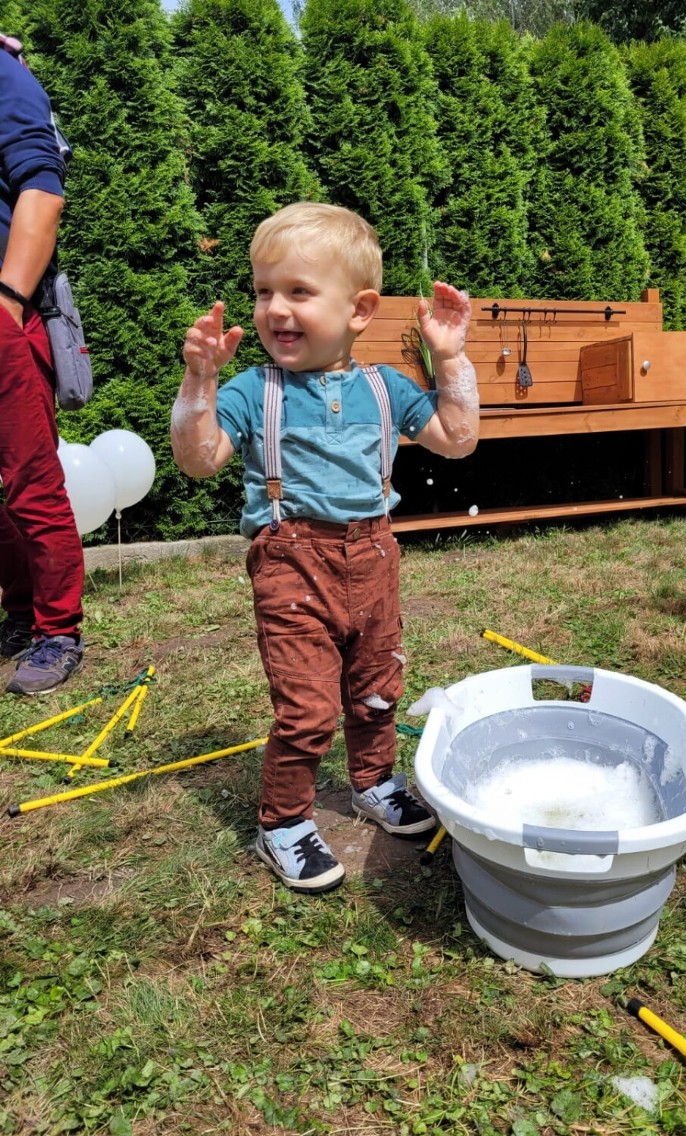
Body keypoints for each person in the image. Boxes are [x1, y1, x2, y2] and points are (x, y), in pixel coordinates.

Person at [171, 201, 479, 894]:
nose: (275, 308)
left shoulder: (385, 388)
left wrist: (451, 359)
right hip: (290, 561)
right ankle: (282, 822)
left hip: (373, 559)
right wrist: (200, 382)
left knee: (375, 689)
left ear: (359, 309)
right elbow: (198, 459)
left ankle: (373, 782)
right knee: (307, 707)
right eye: (263, 291)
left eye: (298, 292)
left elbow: (460, 438)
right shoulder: (255, 390)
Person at [0, 35, 85, 695]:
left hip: (6, 315)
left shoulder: (5, 75)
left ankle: (58, 630)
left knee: (31, 479)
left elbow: (42, 192)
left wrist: (6, 303)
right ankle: (20, 613)